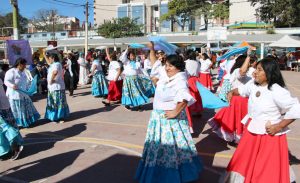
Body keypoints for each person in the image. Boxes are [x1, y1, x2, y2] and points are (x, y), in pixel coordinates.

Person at [224, 57, 300, 182]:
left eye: (259, 70)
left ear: (269, 72)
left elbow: (296, 108)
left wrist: (279, 126)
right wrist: (232, 92)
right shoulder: (253, 84)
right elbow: (242, 90)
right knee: (243, 162)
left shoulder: (277, 90)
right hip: (252, 132)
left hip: (269, 135)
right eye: (256, 69)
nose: (255, 72)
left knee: (266, 168)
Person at [135, 54, 203, 183]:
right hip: (158, 118)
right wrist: (152, 49)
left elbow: (184, 98)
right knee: (160, 148)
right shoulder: (168, 76)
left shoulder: (180, 80)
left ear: (178, 67)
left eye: (170, 66)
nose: (167, 68)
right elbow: (157, 66)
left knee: (170, 149)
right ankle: (161, 174)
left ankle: (174, 176)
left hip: (169, 120)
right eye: (166, 65)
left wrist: (174, 112)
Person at [208, 53, 254, 143]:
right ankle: (236, 138)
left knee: (241, 120)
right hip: (239, 99)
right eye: (249, 62)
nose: (251, 64)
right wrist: (248, 57)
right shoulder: (237, 71)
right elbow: (242, 72)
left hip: (245, 100)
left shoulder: (250, 72)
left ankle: (239, 138)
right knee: (236, 120)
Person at [4, 58, 40, 128]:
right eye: (24, 65)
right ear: (19, 64)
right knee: (17, 111)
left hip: (23, 93)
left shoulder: (23, 72)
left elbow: (26, 82)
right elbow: (6, 81)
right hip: (14, 95)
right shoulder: (11, 71)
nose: (25, 66)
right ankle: (17, 124)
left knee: (25, 109)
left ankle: (26, 122)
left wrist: (30, 87)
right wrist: (12, 85)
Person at [0, 79, 23, 160]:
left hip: (2, 108)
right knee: (4, 129)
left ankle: (16, 148)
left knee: (7, 128)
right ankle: (7, 150)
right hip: (4, 106)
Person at [44, 52, 70, 123]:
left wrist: (51, 80)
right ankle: (54, 116)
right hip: (53, 87)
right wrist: (44, 54)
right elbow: (49, 63)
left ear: (53, 58)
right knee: (54, 102)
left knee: (57, 102)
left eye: (50, 59)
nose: (49, 60)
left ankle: (58, 117)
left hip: (56, 87)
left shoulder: (56, 64)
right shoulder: (54, 64)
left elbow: (55, 72)